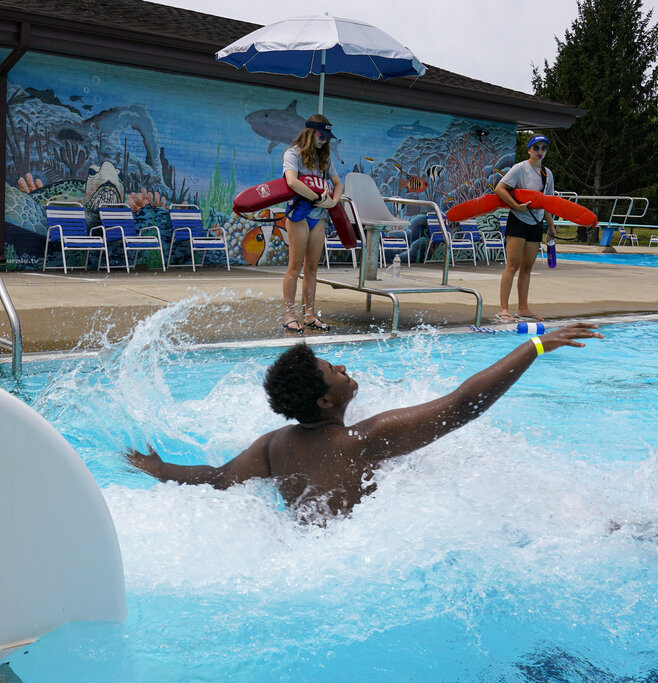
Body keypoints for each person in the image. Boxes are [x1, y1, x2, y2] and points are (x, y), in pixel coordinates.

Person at [126, 323, 604, 521]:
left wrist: (158, 468)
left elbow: (215, 479)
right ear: (326, 402)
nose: (344, 369)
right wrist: (536, 345)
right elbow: (464, 406)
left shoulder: (272, 445)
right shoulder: (364, 440)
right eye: (333, 371)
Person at [280, 114, 343, 333]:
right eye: (321, 135)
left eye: (328, 137)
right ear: (309, 132)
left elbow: (337, 183)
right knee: (295, 267)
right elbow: (291, 181)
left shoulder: (325, 159)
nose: (324, 140)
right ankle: (289, 315)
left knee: (312, 268)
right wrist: (317, 198)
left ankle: (309, 315)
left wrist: (332, 201)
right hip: (299, 213)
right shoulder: (292, 153)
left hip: (319, 216)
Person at [492, 134, 557, 323]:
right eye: (536, 148)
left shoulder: (547, 174)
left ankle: (523, 308)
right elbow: (500, 188)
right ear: (529, 150)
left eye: (543, 148)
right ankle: (503, 308)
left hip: (536, 223)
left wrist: (550, 227)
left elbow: (547, 203)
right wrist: (516, 205)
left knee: (527, 267)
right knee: (512, 265)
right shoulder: (520, 168)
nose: (540, 152)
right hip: (518, 219)